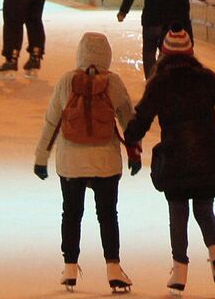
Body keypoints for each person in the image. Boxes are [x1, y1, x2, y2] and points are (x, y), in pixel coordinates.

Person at [122, 30, 215, 295]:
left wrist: (131, 139)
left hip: (175, 159)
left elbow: (141, 118)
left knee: (178, 214)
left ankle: (179, 272)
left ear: (163, 54)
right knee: (204, 209)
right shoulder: (205, 78)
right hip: (207, 159)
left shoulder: (160, 83)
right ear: (191, 53)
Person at [34, 31, 137, 294]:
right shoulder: (114, 83)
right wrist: (135, 152)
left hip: (71, 161)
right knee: (107, 215)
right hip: (105, 161)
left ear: (79, 53)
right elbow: (129, 120)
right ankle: (113, 268)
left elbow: (52, 121)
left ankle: (69, 268)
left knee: (71, 213)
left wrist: (41, 158)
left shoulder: (66, 81)